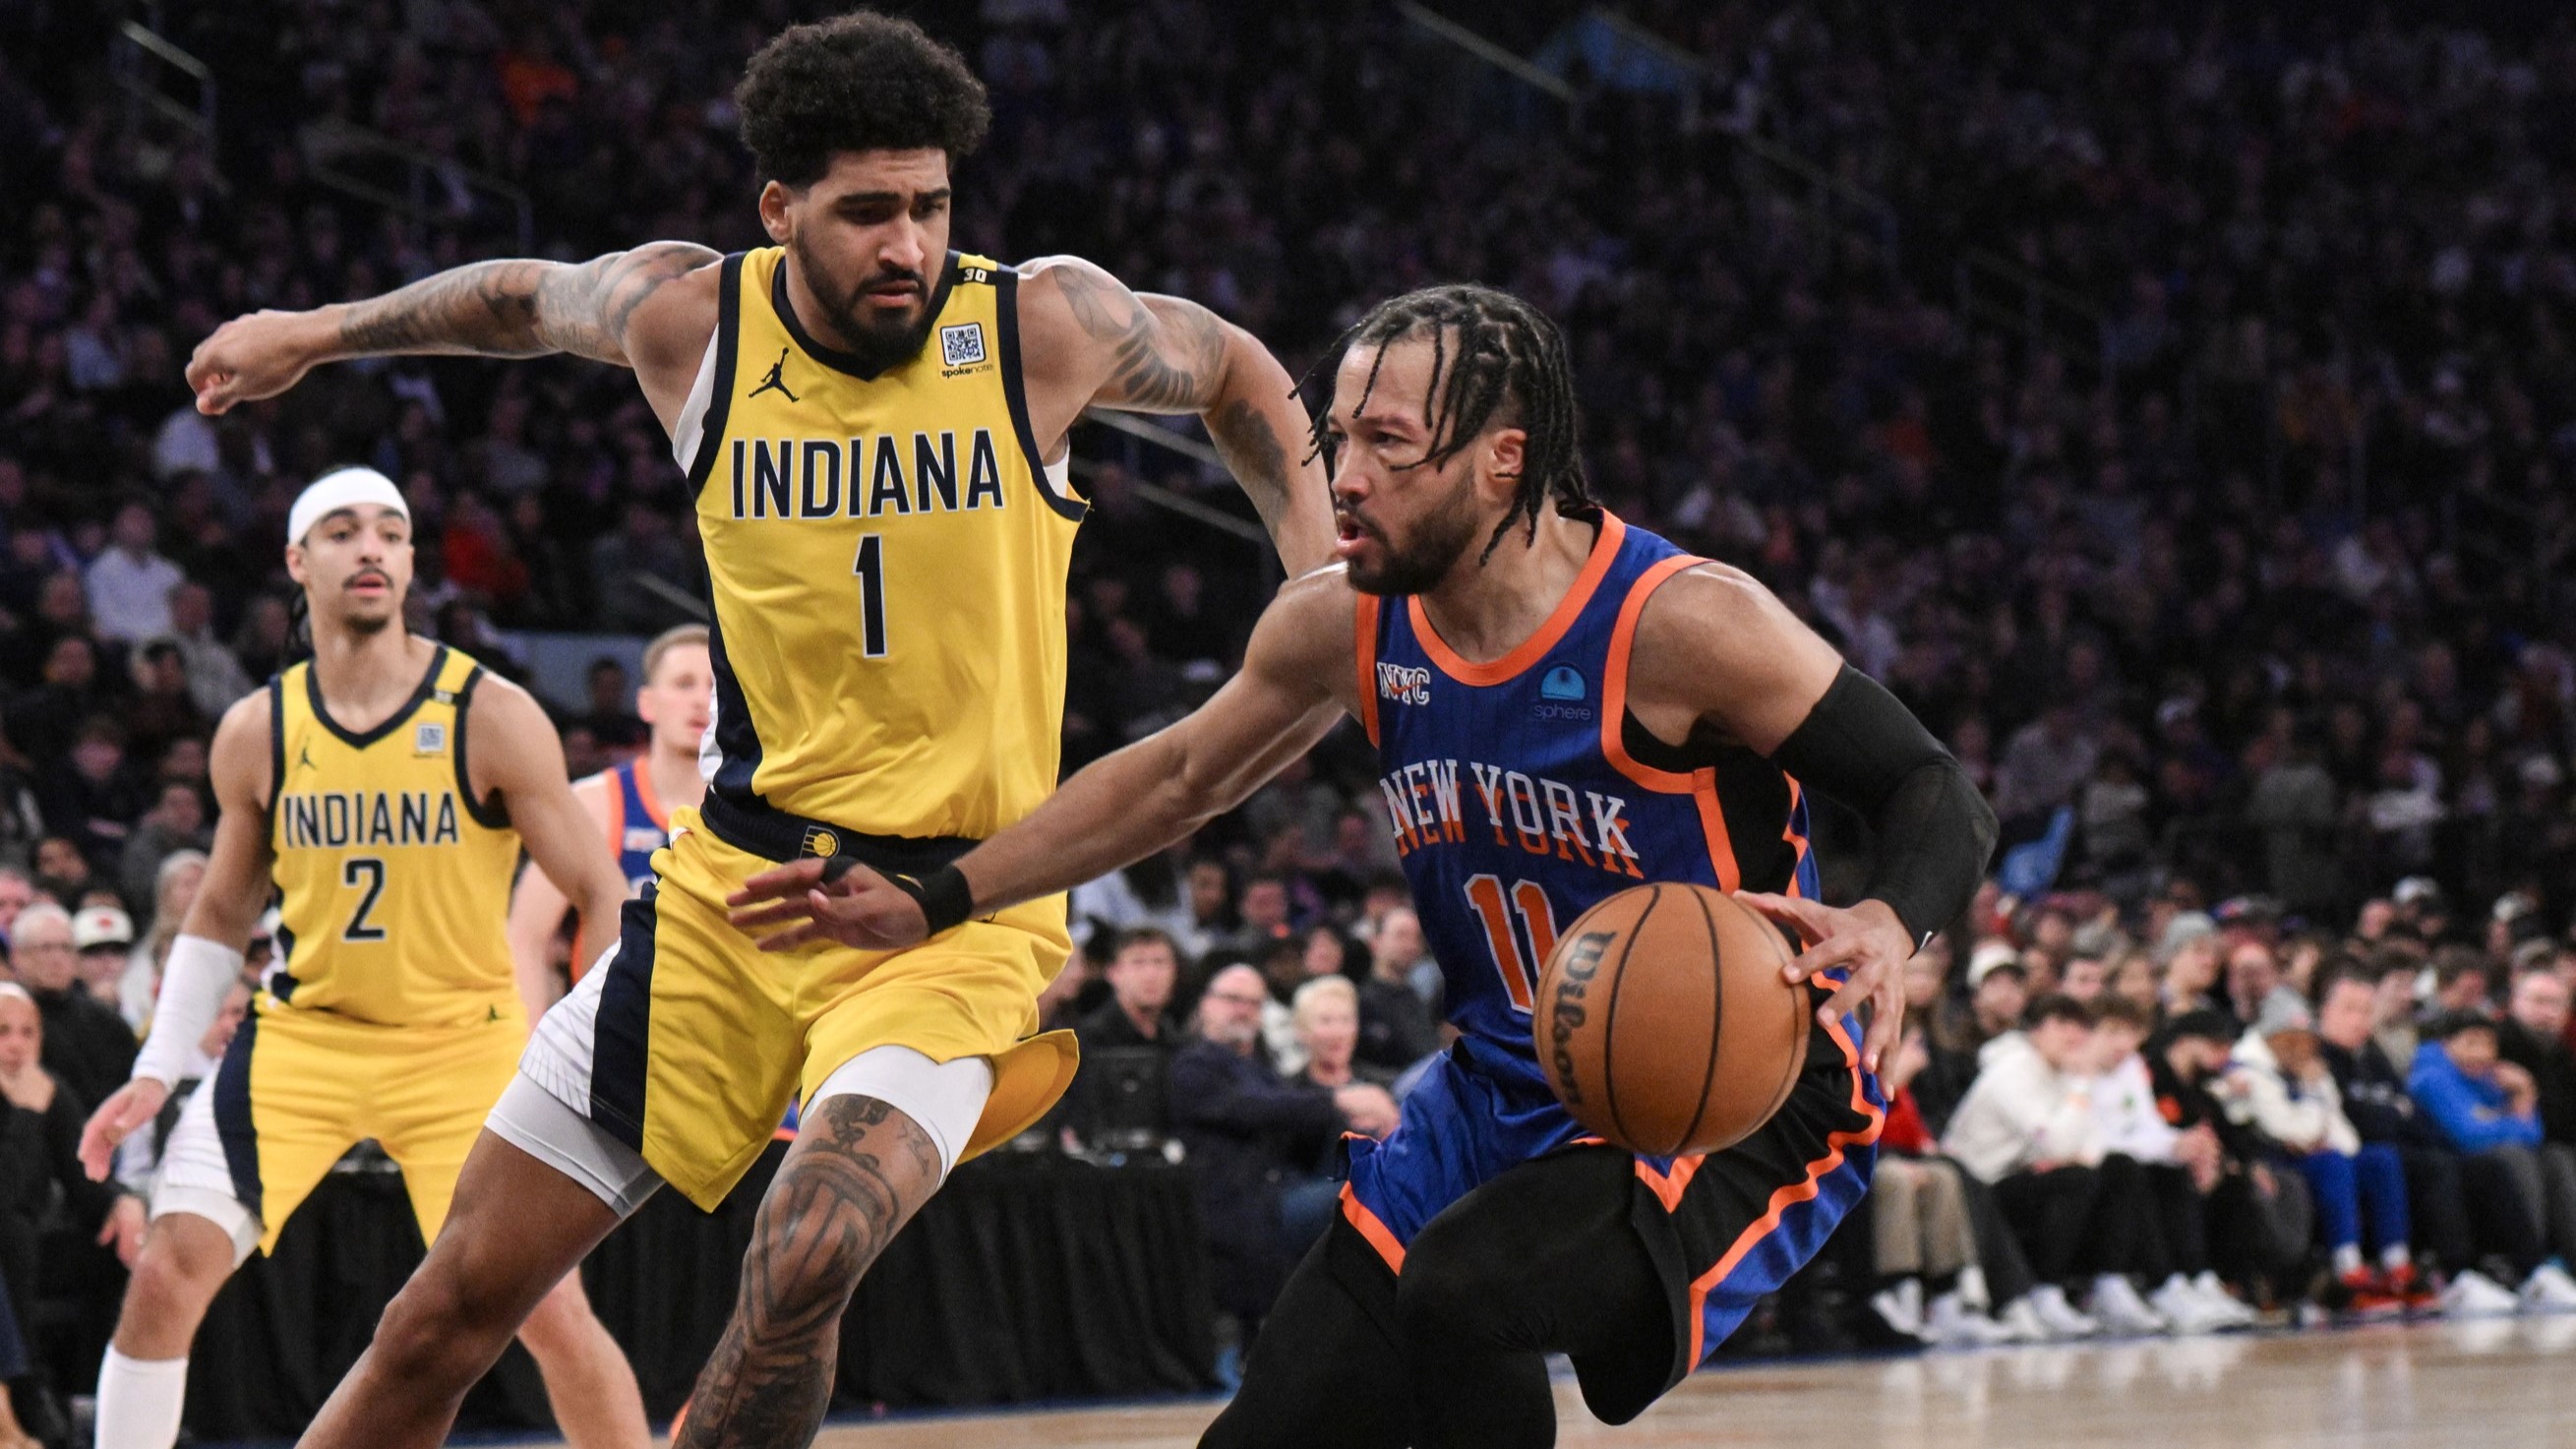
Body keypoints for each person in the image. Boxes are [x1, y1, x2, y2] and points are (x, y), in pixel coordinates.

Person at [176, 18, 1331, 1449]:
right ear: (779, 209)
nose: (909, 244)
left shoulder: (1038, 326)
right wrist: (315, 333)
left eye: (930, 205)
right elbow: (519, 298)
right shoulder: (693, 323)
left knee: (805, 1248)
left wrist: (1319, 574)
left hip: (955, 910)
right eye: (867, 212)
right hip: (735, 897)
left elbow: (1234, 368)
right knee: (442, 1313)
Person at [731, 282, 1995, 1447]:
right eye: (1338, 438)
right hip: (1500, 1083)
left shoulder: (1681, 623)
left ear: (1505, 460)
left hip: (1725, 1092)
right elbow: (1175, 778)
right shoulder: (1345, 621)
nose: (1345, 476)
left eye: (1390, 444)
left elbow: (1935, 789)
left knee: (1461, 1290)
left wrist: (1891, 922)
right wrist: (938, 897)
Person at [71, 470, 652, 1449]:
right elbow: (222, 908)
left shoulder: (489, 711)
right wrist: (157, 1066)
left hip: (461, 1047)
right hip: (304, 1039)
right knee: (166, 1272)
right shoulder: (259, 728)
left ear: (413, 561)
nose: (371, 547)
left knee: (551, 1312)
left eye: (390, 531)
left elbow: (601, 891)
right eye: (342, 532)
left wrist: (592, 1040)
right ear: (298, 563)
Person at [1169, 965, 1397, 1330]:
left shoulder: (1259, 1068)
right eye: (1232, 999)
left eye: (1253, 1002)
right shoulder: (1193, 1065)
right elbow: (1253, 1108)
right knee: (1374, 1190)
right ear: (1206, 1004)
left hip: (1280, 1195)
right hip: (1244, 1211)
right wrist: (1339, 1099)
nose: (1243, 1010)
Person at [506, 624, 713, 990]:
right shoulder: (594, 802)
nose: (701, 700)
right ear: (646, 703)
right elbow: (526, 937)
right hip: (608, 1018)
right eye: (684, 684)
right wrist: (537, 1025)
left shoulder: (752, 810)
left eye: (715, 688)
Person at [2408, 1010, 2576, 1306]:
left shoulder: (2491, 1077)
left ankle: (2565, 1262)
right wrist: (2509, 1120)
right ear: (2447, 1044)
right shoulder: (2430, 1077)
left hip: (2486, 1161)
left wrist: (2525, 1091)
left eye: (2489, 1044)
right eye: (2471, 1043)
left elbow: (2534, 1133)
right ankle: (2530, 1264)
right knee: (2513, 1157)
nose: (2482, 1053)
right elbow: (2469, 1135)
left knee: (2556, 1158)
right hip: (2450, 1165)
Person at [10, 904, 137, 1115]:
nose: (56, 959)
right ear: (18, 956)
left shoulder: (107, 1022)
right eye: (46, 948)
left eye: (65, 948)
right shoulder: (7, 1016)